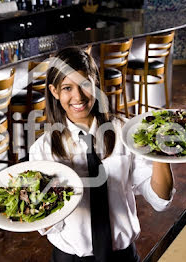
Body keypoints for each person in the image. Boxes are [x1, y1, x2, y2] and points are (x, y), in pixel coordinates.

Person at [29, 47, 175, 262]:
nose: (77, 96)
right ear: (54, 91)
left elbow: (160, 200)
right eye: (67, 88)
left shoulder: (127, 132)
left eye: (84, 85)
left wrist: (159, 153)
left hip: (123, 257)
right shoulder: (42, 150)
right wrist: (43, 200)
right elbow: (50, 225)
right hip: (70, 259)